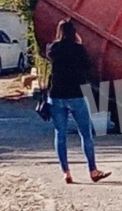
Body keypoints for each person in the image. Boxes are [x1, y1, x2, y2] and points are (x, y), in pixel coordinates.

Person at [47, 19, 110, 184]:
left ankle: (66, 173)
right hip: (76, 95)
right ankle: (93, 171)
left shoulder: (53, 48)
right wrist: (79, 44)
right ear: (74, 33)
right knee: (86, 134)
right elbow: (88, 67)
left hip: (56, 96)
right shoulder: (79, 50)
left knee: (60, 134)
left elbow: (52, 60)